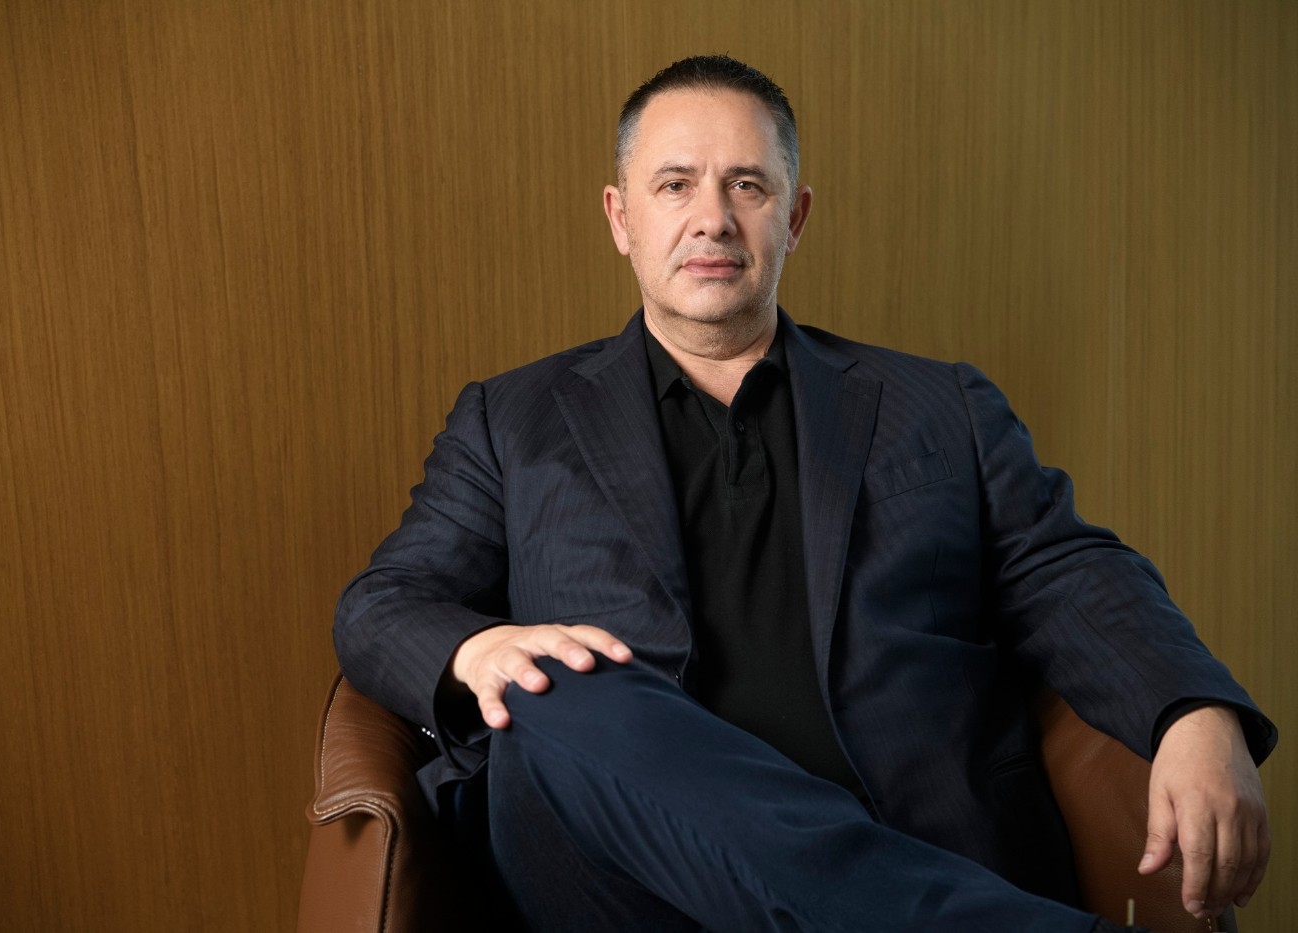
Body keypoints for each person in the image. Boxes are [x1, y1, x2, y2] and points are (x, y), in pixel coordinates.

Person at [335, 55, 1274, 932]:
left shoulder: (936, 405)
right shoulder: (513, 419)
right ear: (621, 218)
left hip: (908, 830)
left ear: (795, 217)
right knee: (554, 690)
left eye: (747, 185)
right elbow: (382, 602)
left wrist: (1193, 710)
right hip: (622, 881)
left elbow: (1070, 568)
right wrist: (478, 648)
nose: (712, 218)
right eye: (675, 185)